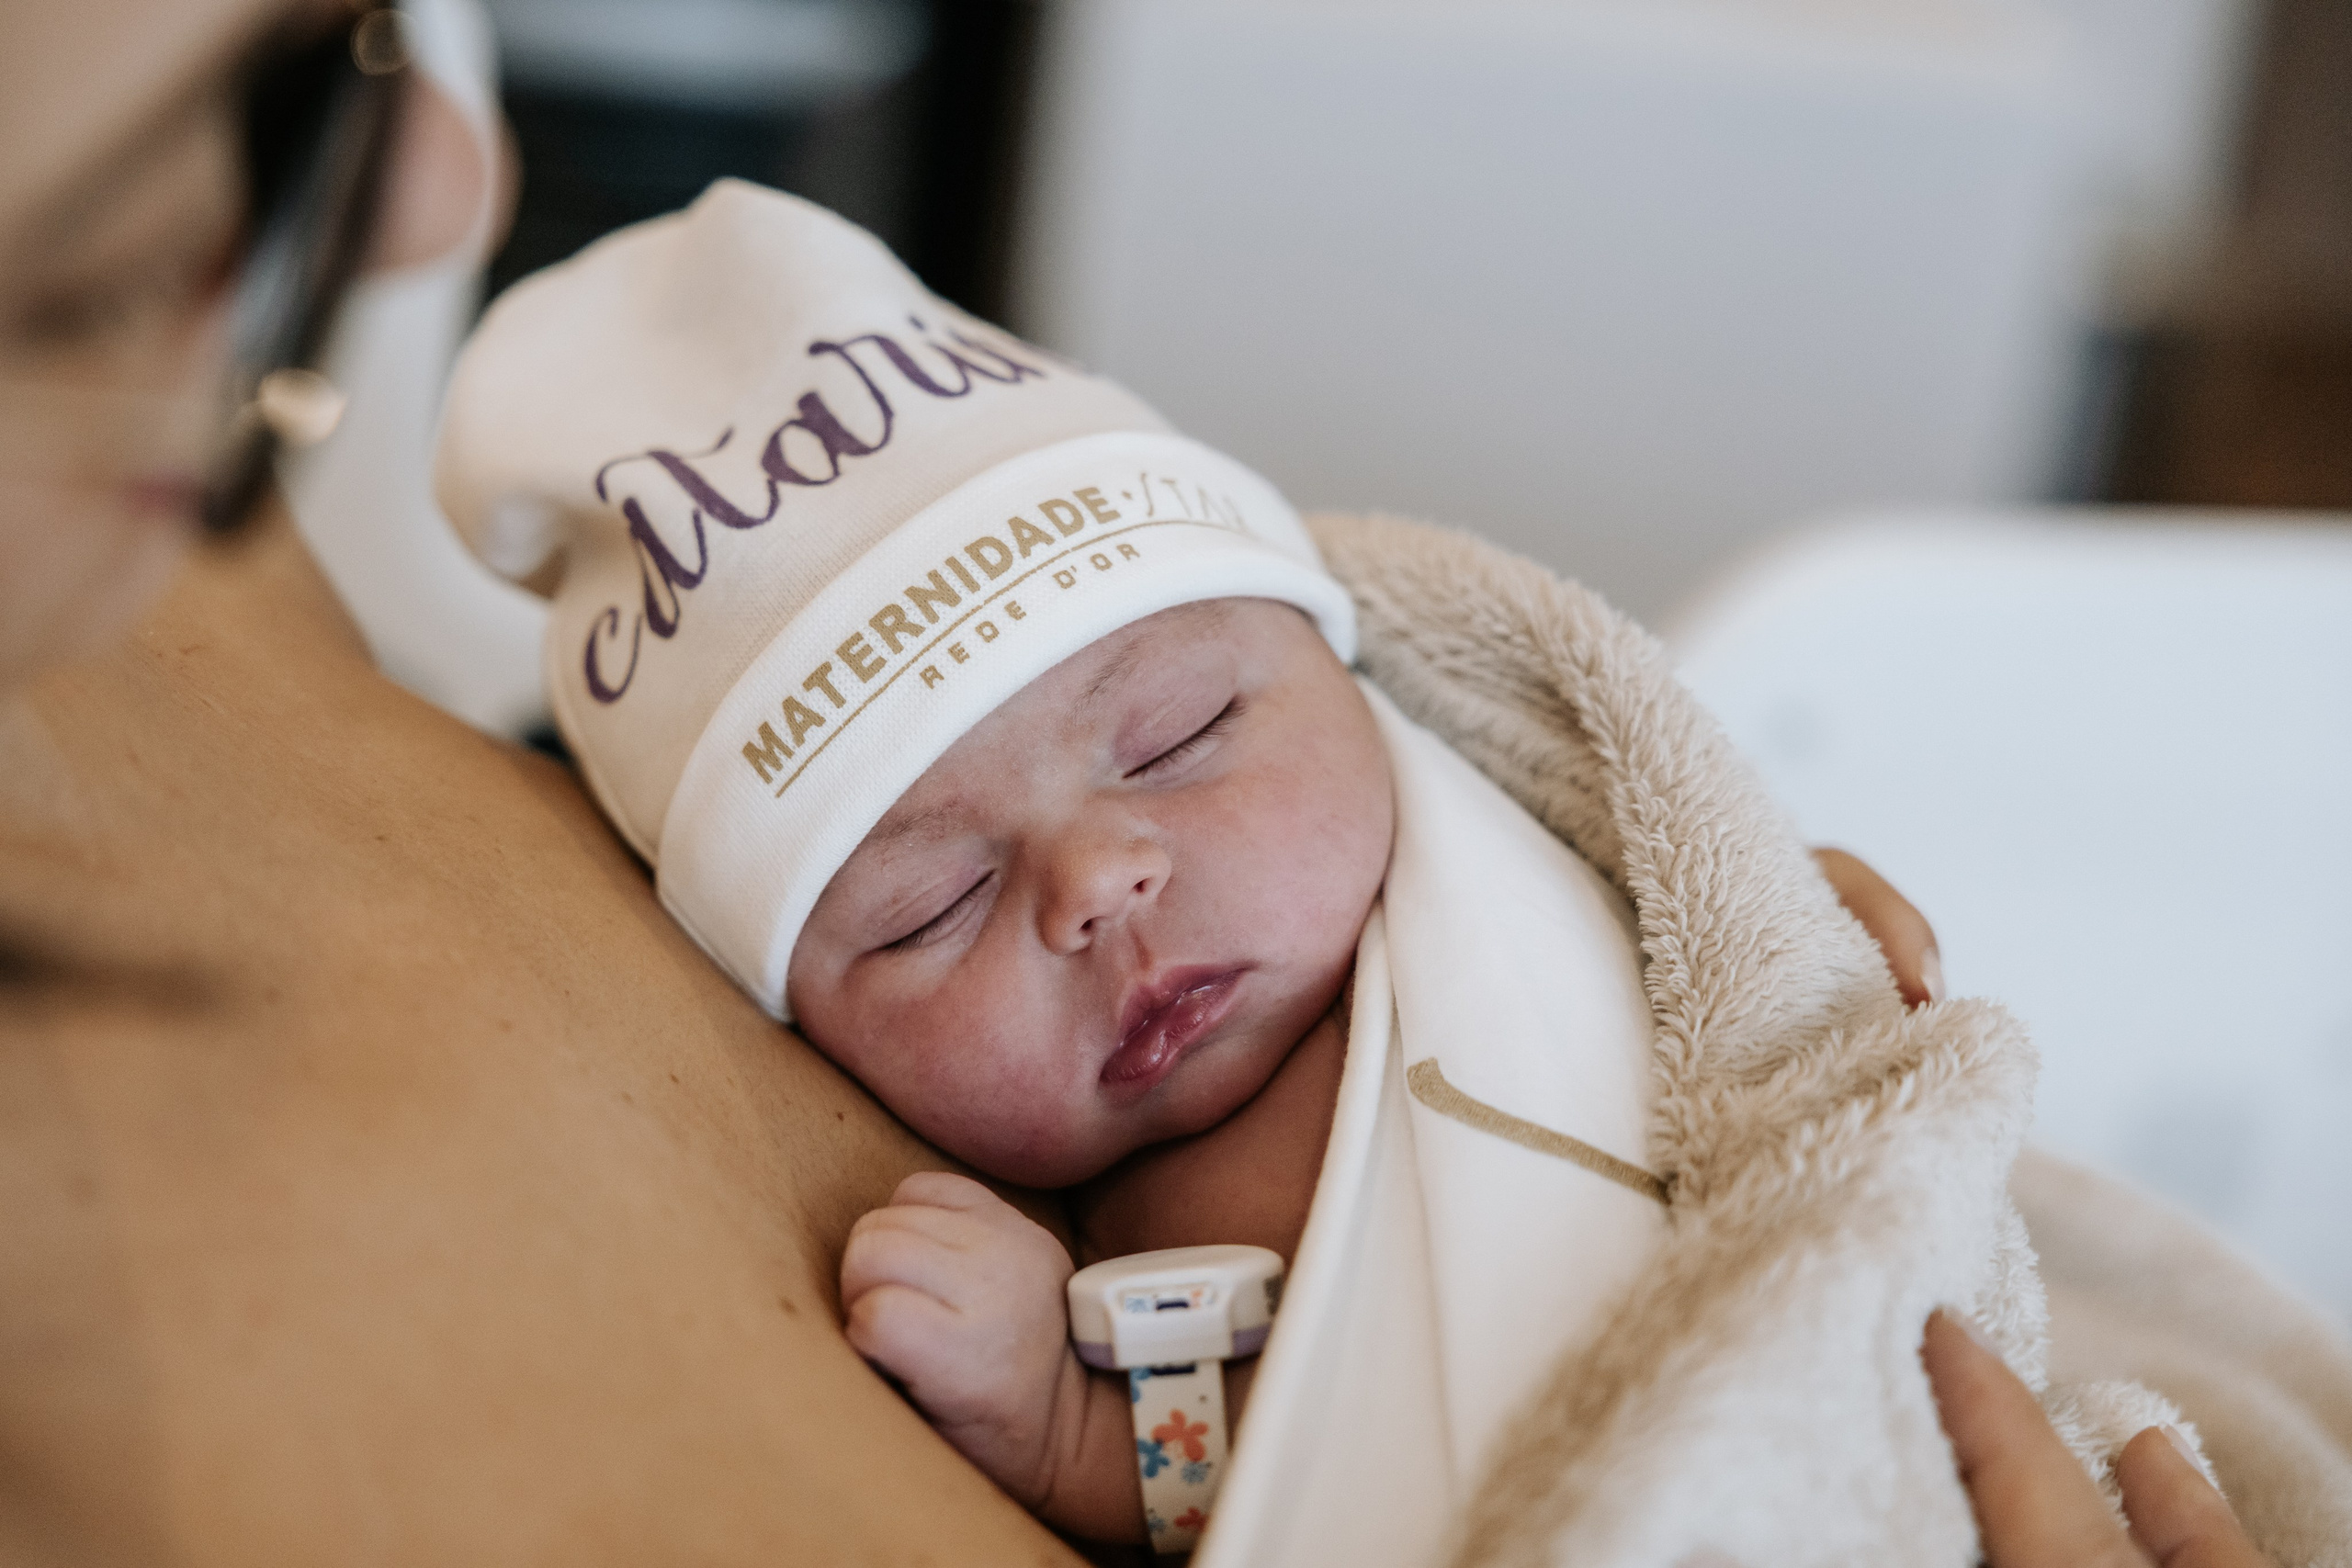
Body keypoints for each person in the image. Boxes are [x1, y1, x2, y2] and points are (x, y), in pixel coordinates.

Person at [0, 4, 2267, 1562]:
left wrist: (1758, 945)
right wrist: (1074, 1425)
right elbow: (1260, 1458)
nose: (1098, 881)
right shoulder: (1131, 1240)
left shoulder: (1481, 826)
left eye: (1187, 735)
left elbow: (1775, 1003)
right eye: (917, 911)